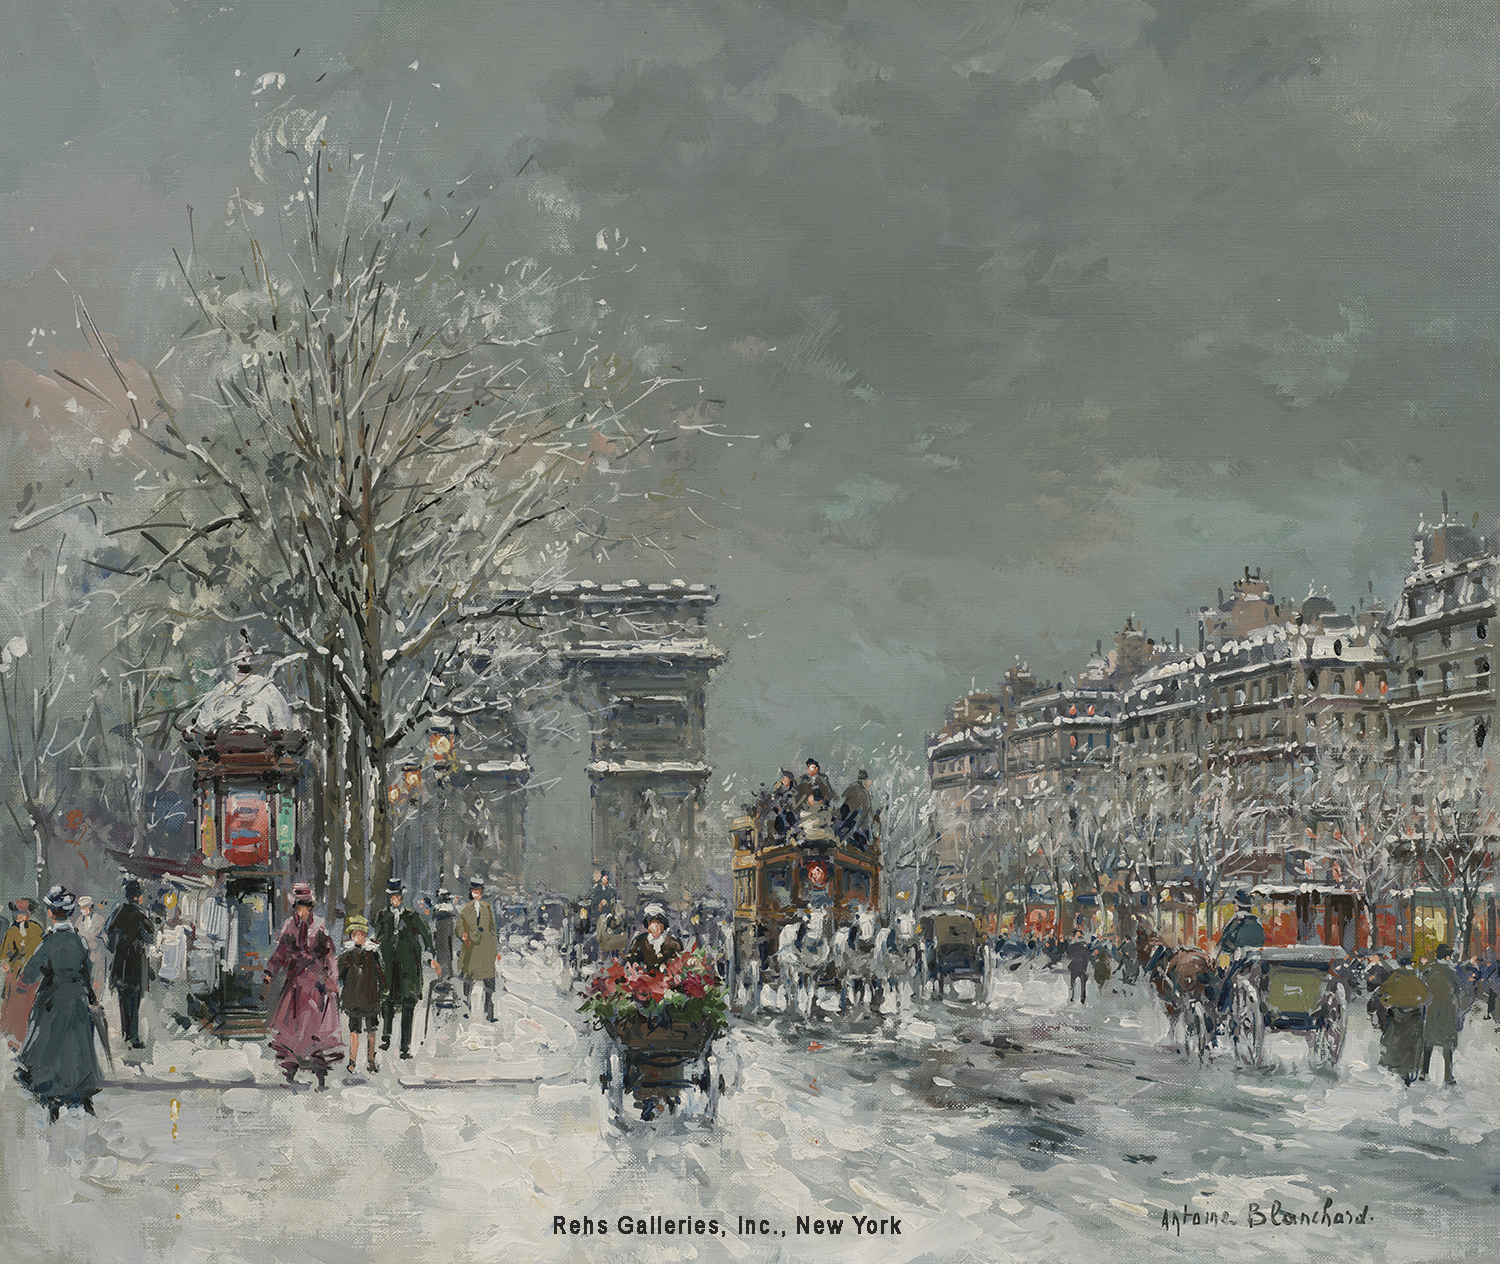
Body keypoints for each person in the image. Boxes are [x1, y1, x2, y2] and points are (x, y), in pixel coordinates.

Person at [16, 887, 102, 1122]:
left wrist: (24, 984)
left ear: (52, 914)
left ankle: (52, 1089)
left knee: (49, 1042)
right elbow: (86, 970)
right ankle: (80, 1090)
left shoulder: (50, 941)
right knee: (76, 1043)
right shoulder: (78, 940)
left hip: (53, 997)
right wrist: (91, 996)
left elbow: (33, 968)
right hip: (76, 998)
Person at [261, 882, 344, 1087]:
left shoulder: (320, 926)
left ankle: (320, 1072)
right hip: (295, 985)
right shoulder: (290, 925)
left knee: (316, 1028)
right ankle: (290, 1069)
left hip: (315, 985)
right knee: (291, 1027)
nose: (302, 910)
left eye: (305, 906)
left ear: (311, 907)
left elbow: (329, 954)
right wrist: (270, 971)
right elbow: (281, 951)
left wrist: (331, 978)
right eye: (299, 906)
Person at [372, 878, 436, 1059]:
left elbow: (426, 934)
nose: (395, 899)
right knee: (387, 1002)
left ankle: (405, 1046)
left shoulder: (412, 916)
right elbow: (377, 936)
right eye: (392, 897)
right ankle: (386, 1035)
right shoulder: (383, 916)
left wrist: (431, 953)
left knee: (408, 1003)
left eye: (397, 896)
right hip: (389, 967)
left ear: (402, 897)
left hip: (408, 969)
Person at [104, 880, 155, 1049]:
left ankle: (127, 1033)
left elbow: (108, 932)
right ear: (137, 896)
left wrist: (114, 948)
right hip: (134, 963)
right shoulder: (141, 916)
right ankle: (133, 1037)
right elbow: (150, 937)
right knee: (134, 1000)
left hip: (120, 963)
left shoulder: (118, 912)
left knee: (123, 998)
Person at [337, 914, 386, 1075]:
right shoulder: (347, 955)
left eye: (362, 934)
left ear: (365, 936)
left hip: (369, 997)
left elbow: (380, 973)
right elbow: (340, 976)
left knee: (372, 1028)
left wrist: (384, 988)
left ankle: (371, 1060)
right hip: (354, 998)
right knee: (354, 1029)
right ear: (352, 936)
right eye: (356, 934)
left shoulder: (372, 954)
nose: (359, 937)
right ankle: (353, 1060)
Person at [1376, 953, 1431, 1085]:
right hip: (1413, 1014)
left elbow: (1383, 989)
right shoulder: (1413, 977)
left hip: (1397, 1012)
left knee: (1393, 1038)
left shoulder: (1396, 975)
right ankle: (1408, 1069)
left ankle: (1391, 1064)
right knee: (1412, 1042)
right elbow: (1424, 994)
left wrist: (1386, 1000)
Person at [1, 897, 44, 1049]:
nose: (19, 916)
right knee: (14, 1006)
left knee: (29, 1006)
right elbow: (4, 953)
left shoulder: (37, 929)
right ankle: (14, 1037)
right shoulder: (12, 931)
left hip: (33, 975)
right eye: (16, 913)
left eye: (22, 913)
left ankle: (27, 1038)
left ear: (28, 914)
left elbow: (42, 951)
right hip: (15, 973)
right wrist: (5, 963)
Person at [456, 877, 501, 1023]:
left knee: (489, 982)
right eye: (474, 891)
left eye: (479, 891)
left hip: (486, 949)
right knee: (468, 980)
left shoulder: (487, 907)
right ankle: (467, 1008)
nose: (476, 894)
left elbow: (493, 929)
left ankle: (490, 1012)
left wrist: (495, 950)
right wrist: (463, 935)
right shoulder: (466, 909)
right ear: (471, 892)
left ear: (481, 893)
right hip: (471, 948)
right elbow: (458, 927)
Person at [1215, 890, 1265, 1010]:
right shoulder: (1257, 922)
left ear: (1237, 906)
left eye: (1235, 905)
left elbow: (1227, 941)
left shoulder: (1237, 920)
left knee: (1227, 981)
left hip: (1241, 958)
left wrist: (1222, 952)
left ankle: (1222, 1008)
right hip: (1258, 957)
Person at [1420, 944, 1461, 1085]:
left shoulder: (1429, 970)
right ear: (1447, 957)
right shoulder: (1450, 971)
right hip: (1447, 1009)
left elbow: (1423, 989)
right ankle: (1448, 1076)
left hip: (1433, 1007)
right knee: (1447, 1041)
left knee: (1428, 1041)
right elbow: (1456, 990)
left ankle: (1424, 1072)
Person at [626, 904, 683, 970]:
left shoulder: (671, 941)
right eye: (651, 922)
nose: (654, 926)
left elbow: (679, 960)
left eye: (658, 922)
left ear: (663, 925)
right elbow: (632, 959)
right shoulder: (640, 940)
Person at [73, 896, 108, 1002]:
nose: (83, 910)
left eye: (85, 907)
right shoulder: (79, 921)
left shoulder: (100, 920)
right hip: (84, 955)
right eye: (81, 908)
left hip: (96, 955)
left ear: (90, 907)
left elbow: (106, 940)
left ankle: (96, 1002)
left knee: (97, 980)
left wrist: (96, 943)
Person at [835, 770, 875, 845]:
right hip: (852, 816)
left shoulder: (864, 791)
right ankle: (844, 841)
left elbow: (842, 796)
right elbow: (842, 797)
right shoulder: (861, 790)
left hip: (857, 818)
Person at [430, 889, 457, 977]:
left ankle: (444, 974)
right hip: (444, 932)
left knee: (444, 953)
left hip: (442, 932)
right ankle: (446, 973)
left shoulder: (439, 908)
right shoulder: (446, 908)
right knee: (446, 953)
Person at [1065, 926, 1092, 1003]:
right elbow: (1069, 956)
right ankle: (1072, 997)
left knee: (1083, 983)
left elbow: (1089, 956)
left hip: (1082, 967)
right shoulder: (1072, 946)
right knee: (1072, 983)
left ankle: (1082, 999)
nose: (1078, 936)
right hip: (1075, 966)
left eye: (1079, 935)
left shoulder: (1084, 946)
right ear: (1074, 936)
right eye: (1077, 935)